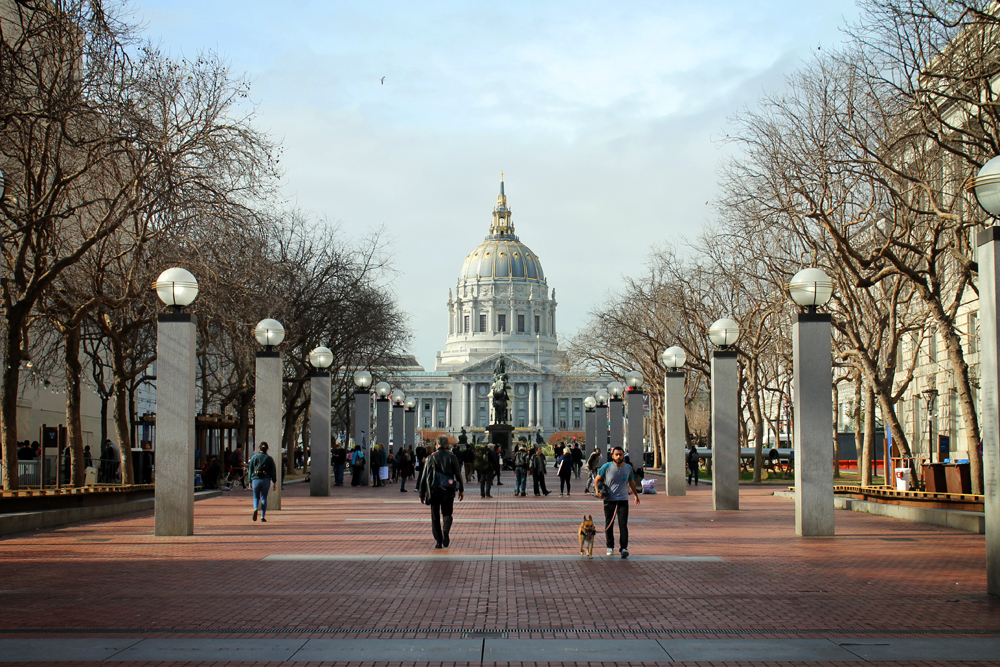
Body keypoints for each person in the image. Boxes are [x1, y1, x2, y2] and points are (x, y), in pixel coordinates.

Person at [419, 435, 464, 548]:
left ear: (437, 445)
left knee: (435, 516)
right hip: (448, 489)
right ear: (447, 445)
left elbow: (424, 477)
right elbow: (458, 475)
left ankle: (439, 541)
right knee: (447, 513)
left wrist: (422, 493)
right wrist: (461, 490)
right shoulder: (452, 457)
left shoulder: (430, 458)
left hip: (434, 490)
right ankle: (446, 531)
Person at [594, 445, 640, 558]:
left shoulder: (628, 468)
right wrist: (597, 492)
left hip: (623, 500)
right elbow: (597, 479)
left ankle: (624, 548)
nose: (619, 457)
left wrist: (636, 495)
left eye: (621, 454)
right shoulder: (606, 467)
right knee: (609, 524)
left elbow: (632, 482)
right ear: (612, 456)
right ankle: (610, 546)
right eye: (617, 455)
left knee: (623, 524)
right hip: (609, 500)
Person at [248, 442, 278, 522]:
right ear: (267, 449)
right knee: (264, 497)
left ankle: (255, 508)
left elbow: (250, 470)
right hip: (266, 479)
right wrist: (274, 482)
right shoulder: (269, 459)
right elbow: (273, 471)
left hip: (255, 479)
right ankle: (262, 516)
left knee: (256, 497)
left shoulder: (254, 457)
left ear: (259, 448)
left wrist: (249, 481)